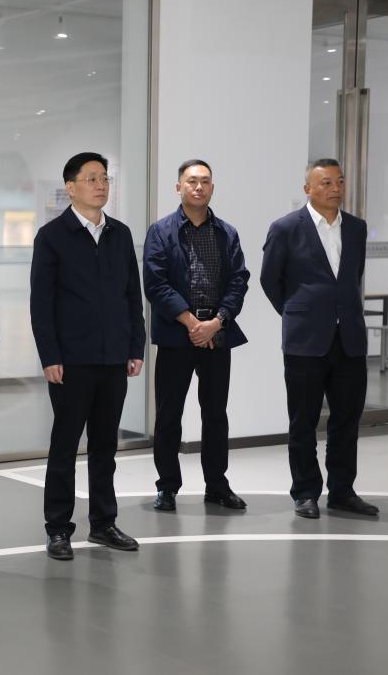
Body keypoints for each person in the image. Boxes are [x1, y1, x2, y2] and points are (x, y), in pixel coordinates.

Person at [30, 152, 146, 561]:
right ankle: (58, 528)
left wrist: (135, 346)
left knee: (104, 447)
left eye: (105, 178)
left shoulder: (120, 234)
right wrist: (49, 355)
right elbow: (41, 303)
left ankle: (103, 523)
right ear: (71, 187)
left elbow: (132, 296)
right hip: (71, 361)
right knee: (64, 447)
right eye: (92, 178)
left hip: (113, 358)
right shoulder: (52, 236)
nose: (101, 185)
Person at [259, 158, 380, 519]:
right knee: (303, 421)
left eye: (340, 181)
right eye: (326, 183)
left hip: (350, 340)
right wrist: (297, 312)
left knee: (347, 421)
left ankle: (342, 491)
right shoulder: (285, 228)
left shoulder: (356, 228)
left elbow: (353, 277)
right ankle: (305, 492)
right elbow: (270, 280)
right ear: (307, 189)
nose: (335, 189)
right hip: (305, 341)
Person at [143, 159, 249, 513]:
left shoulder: (227, 233)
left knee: (216, 414)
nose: (198, 187)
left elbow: (239, 281)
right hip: (177, 336)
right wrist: (192, 324)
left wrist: (217, 322)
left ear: (212, 188)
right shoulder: (161, 231)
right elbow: (155, 284)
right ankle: (167, 487)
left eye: (205, 181)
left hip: (217, 336)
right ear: (179, 188)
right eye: (191, 181)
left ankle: (216, 485)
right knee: (169, 415)